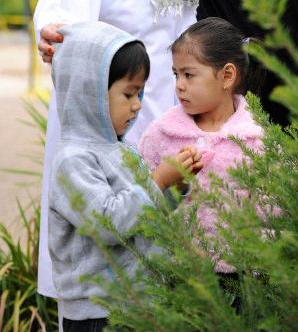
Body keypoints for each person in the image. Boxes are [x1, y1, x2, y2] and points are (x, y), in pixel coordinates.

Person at [33, 0, 199, 298]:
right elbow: (62, 21)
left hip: (169, 123)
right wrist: (51, 33)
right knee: (110, 277)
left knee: (167, 282)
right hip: (107, 131)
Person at [49, 21, 202, 332]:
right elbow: (109, 224)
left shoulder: (122, 150)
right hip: (97, 313)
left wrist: (175, 187)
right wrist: (158, 180)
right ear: (88, 93)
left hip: (136, 303)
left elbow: (143, 215)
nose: (137, 106)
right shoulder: (73, 160)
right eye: (129, 94)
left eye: (140, 93)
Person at [139, 17, 266, 281]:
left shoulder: (256, 141)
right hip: (172, 276)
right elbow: (139, 202)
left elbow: (270, 216)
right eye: (176, 74)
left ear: (227, 76)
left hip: (239, 281)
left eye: (189, 74)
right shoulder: (160, 135)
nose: (179, 85)